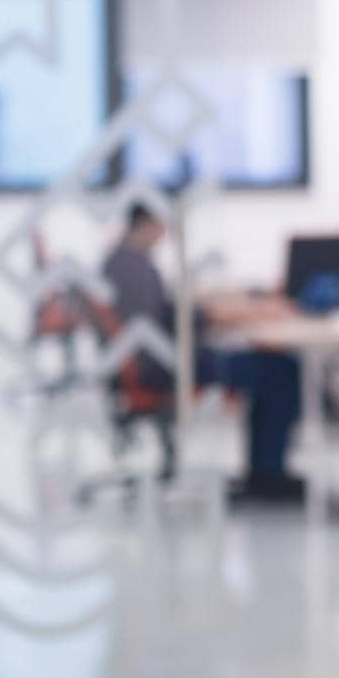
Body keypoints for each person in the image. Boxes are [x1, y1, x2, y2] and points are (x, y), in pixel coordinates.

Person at [102, 203, 305, 500]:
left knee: (271, 366)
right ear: (146, 223)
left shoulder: (124, 261)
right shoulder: (131, 266)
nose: (164, 234)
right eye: (161, 225)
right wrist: (220, 314)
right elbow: (166, 318)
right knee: (280, 369)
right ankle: (268, 476)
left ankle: (265, 472)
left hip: (163, 358)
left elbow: (164, 314)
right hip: (167, 365)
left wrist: (219, 312)